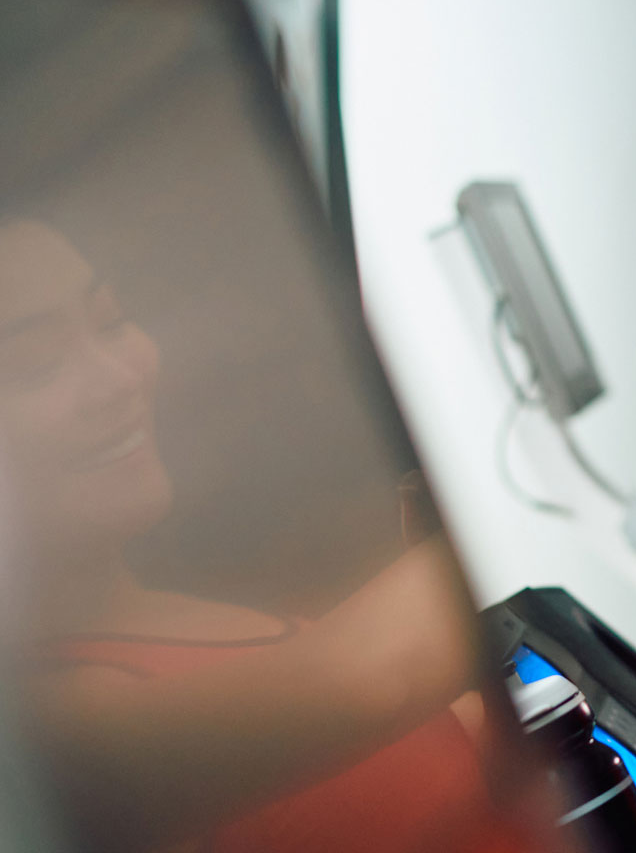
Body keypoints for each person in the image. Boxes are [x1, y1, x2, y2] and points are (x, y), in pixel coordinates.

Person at [0, 219, 557, 853]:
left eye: (111, 321)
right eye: (36, 365)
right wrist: (531, 451)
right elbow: (373, 684)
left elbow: (417, 751)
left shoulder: (175, 620)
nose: (119, 378)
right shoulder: (44, 729)